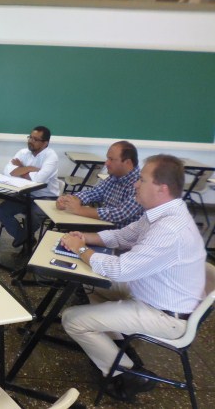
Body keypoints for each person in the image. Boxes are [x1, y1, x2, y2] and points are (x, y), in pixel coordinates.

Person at [60, 154, 206, 402]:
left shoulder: (170, 229)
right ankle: (115, 343)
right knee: (91, 282)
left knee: (72, 320)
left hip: (165, 315)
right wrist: (84, 238)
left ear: (162, 188)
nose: (136, 184)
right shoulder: (161, 214)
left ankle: (130, 373)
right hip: (152, 294)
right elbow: (123, 236)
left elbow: (119, 269)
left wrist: (81, 250)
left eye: (142, 179)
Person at [0, 126, 60, 253]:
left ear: (45, 143)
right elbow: (7, 171)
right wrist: (29, 168)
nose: (31, 141)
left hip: (46, 197)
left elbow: (39, 179)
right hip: (25, 194)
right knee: (1, 211)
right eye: (30, 137)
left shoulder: (51, 157)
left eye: (35, 139)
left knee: (33, 216)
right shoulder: (22, 153)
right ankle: (26, 238)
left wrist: (21, 169)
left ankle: (23, 238)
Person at [56, 141, 143, 228]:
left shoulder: (140, 183)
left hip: (122, 237)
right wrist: (70, 200)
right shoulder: (114, 177)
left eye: (111, 159)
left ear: (127, 163)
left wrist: (79, 210)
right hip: (105, 230)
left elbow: (120, 213)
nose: (106, 163)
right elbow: (95, 192)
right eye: (107, 158)